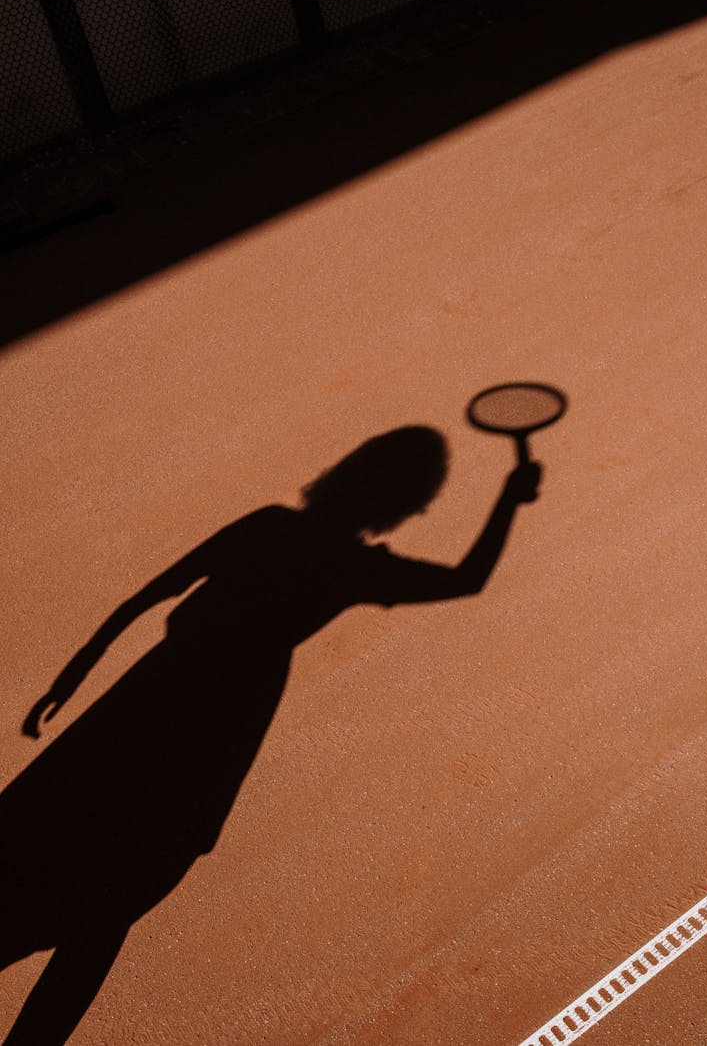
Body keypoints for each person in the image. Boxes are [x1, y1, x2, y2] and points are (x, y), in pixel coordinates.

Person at [3, 426, 541, 1045]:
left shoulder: (269, 528)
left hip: (138, 709)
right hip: (212, 748)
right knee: (103, 919)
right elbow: (468, 578)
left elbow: (149, 596)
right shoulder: (352, 569)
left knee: (27, 861)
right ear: (405, 504)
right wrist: (508, 499)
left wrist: (71, 679)